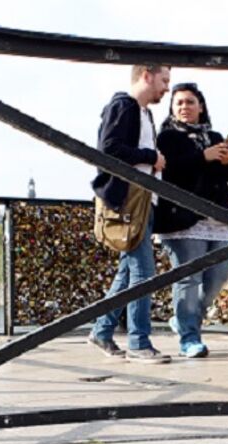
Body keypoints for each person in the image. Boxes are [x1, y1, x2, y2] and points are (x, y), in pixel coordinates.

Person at [89, 64, 172, 364]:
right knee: (143, 273)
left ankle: (102, 328)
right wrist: (152, 157)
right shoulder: (124, 106)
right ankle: (138, 342)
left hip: (140, 201)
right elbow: (107, 150)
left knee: (128, 272)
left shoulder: (143, 112)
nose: (166, 88)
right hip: (129, 201)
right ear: (146, 75)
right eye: (164, 80)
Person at [154, 83, 228, 358]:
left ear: (200, 106)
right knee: (188, 279)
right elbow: (169, 172)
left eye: (190, 102)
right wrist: (203, 157)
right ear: (172, 107)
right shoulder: (166, 137)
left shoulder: (214, 135)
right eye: (178, 102)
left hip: (217, 217)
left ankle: (185, 322)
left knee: (219, 275)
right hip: (182, 217)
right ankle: (189, 337)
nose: (184, 107)